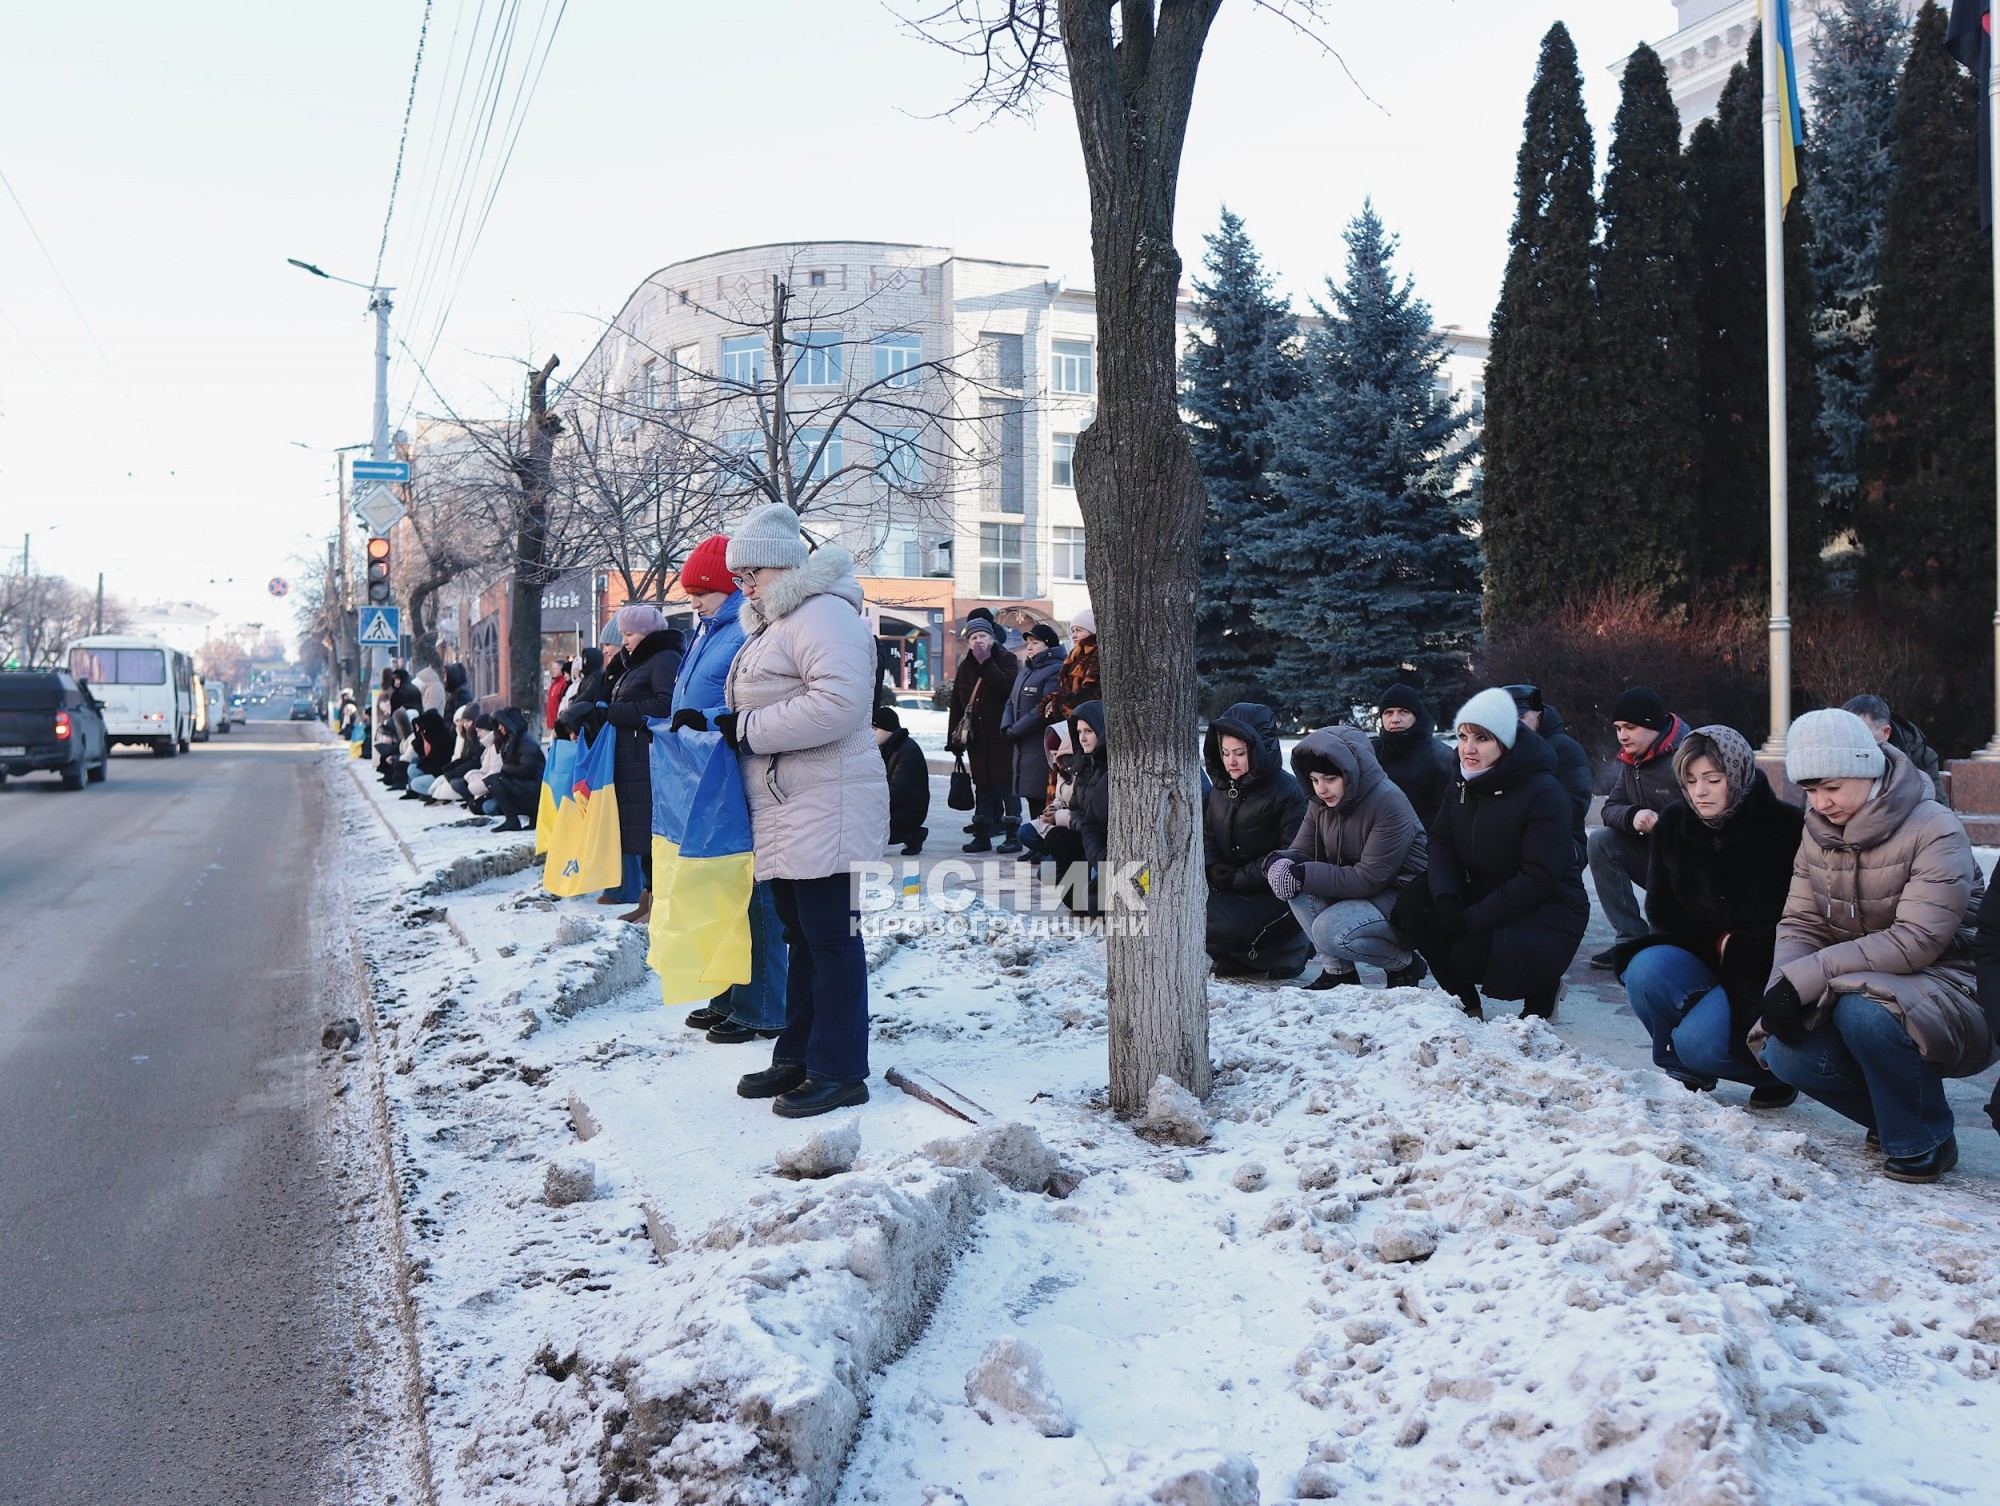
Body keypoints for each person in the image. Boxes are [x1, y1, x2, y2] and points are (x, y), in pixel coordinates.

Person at [1753, 708, 1988, 1183]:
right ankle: (1896, 1117)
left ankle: (1926, 1137)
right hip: (1856, 979)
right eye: (1811, 791)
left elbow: (1916, 940)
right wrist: (1783, 986)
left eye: (1832, 787)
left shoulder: (1934, 827)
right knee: (1784, 1052)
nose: (1821, 802)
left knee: (1865, 1011)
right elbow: (1801, 923)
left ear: (1867, 768)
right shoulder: (1816, 833)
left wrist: (1806, 980)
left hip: (1953, 982)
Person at [719, 503, 887, 1118]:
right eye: (738, 577)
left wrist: (746, 729)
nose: (744, 585)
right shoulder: (778, 622)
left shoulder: (821, 614)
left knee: (831, 937)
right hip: (793, 802)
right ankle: (798, 1053)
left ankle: (840, 1068)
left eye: (751, 573)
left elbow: (840, 705)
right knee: (801, 934)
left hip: (829, 800)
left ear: (784, 564)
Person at [1612, 725, 1805, 1105]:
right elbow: (1661, 912)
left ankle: (1772, 1073)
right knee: (1644, 969)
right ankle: (1688, 1063)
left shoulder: (1786, 827)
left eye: (1712, 780)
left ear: (1735, 775)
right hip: (1701, 955)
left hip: (1761, 971)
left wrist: (1741, 948)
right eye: (1690, 780)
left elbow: (1798, 922)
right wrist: (1717, 942)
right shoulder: (1673, 824)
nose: (1699, 791)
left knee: (1698, 1041)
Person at [1391, 688, 1589, 1019]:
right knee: (1413, 904)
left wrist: (1471, 920)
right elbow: (1440, 840)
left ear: (1505, 742)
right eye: (1463, 735)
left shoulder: (1543, 791)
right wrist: (1448, 898)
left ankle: (1544, 990)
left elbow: (1538, 877)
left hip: (1546, 906)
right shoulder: (1463, 779)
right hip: (1485, 888)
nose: (1468, 747)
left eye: (1481, 738)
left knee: (1468, 953)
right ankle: (1465, 1002)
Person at [666, 533, 791, 1045]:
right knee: (718, 888)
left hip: (741, 776)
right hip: (709, 776)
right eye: (690, 592)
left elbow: (752, 697)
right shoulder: (708, 629)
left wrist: (712, 720)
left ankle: (762, 1003)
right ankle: (727, 993)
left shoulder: (742, 628)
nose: (693, 600)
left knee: (753, 893)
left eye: (703, 590)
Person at [1266, 725, 1427, 990]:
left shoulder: (1388, 802)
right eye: (1315, 780)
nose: (1321, 789)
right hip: (1359, 891)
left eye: (1329, 779)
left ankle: (1404, 963)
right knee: (1293, 885)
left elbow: (1368, 879)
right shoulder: (1322, 802)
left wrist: (1302, 872)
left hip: (1402, 897)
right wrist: (1277, 862)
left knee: (1330, 931)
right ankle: (1338, 973)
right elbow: (1302, 852)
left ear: (1351, 773)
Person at [1202, 703, 1310, 980]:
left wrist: (1239, 878)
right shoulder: (1220, 789)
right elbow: (1208, 833)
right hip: (1228, 887)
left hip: (1275, 894)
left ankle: (1291, 948)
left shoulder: (1289, 792)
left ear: (1260, 750)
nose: (1231, 762)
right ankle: (1242, 957)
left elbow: (1292, 852)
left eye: (1240, 753)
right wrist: (1212, 865)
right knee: (1183, 916)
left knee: (1223, 926)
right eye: (1225, 753)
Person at [590, 605, 683, 924]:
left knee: (650, 835)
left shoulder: (664, 659)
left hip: (648, 760)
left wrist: (614, 714)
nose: (624, 640)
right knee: (642, 835)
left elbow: (665, 705)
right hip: (632, 760)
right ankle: (648, 900)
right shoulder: (638, 662)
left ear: (646, 633)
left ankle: (657, 902)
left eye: (629, 634)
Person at [1588, 686, 1690, 966]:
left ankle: (1673, 939)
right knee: (1600, 842)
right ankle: (1630, 939)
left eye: (1630, 727)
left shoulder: (1689, 756)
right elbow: (1610, 809)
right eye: (1618, 728)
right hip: (1655, 859)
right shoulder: (1632, 762)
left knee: (1671, 952)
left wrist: (1667, 824)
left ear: (1652, 725)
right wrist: (1634, 816)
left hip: (1694, 867)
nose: (1622, 735)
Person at [946, 616, 1019, 853]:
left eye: (983, 636)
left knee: (1008, 787)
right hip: (977, 740)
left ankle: (1013, 834)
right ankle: (982, 835)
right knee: (983, 787)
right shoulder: (966, 666)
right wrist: (953, 740)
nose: (978, 641)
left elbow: (1007, 688)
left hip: (1002, 738)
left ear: (992, 638)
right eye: (974, 637)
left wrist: (986, 662)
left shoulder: (1007, 659)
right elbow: (957, 703)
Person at [1505, 684, 1592, 863]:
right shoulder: (1499, 749)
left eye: (1521, 717)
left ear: (1539, 716)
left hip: (1563, 840)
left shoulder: (1566, 749)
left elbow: (1574, 805)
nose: (1515, 725)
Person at [1001, 623, 1066, 852]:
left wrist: (1016, 729)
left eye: (1035, 643)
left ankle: (1042, 845)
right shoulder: (1027, 670)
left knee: (1041, 795)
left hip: (1039, 743)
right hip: (1022, 744)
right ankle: (1034, 847)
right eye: (1028, 643)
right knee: (1029, 795)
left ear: (1048, 646)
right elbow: (1011, 700)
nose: (1030, 647)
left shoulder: (1055, 670)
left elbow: (1043, 708)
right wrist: (1006, 725)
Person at [1371, 683, 1453, 826]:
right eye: (1388, 712)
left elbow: (1444, 810)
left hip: (1423, 839)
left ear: (1417, 715)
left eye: (1403, 712)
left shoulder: (1441, 756)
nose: (1395, 719)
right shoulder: (1369, 752)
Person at [1843, 694, 1944, 800]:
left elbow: (1939, 808)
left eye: (1861, 734)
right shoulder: (1837, 754)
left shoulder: (1920, 757)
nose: (1852, 743)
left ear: (1886, 733)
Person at [1016, 725, 1076, 865]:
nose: (1055, 760)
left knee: (1047, 872)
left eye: (1057, 754)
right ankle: (1056, 855)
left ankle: (1075, 862)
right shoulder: (1062, 768)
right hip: (1064, 823)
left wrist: (1057, 817)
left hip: (1077, 828)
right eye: (1052, 755)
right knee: (1025, 832)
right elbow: (1059, 799)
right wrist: (1052, 809)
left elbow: (1086, 814)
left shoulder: (1083, 769)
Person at [875, 706, 931, 855]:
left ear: (888, 730)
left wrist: (871, 805)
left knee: (868, 827)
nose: (871, 734)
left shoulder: (907, 751)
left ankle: (912, 834)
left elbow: (898, 790)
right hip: (893, 805)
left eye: (875, 730)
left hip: (909, 809)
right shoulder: (885, 748)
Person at [483, 706, 546, 832]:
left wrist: (505, 768)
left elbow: (527, 770)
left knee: (494, 781)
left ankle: (512, 820)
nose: (500, 728)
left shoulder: (525, 742)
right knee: (492, 787)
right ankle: (530, 817)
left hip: (534, 788)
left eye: (502, 725)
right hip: (529, 786)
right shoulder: (513, 740)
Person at [1040, 607, 1101, 726]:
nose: (1074, 635)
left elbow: (1094, 693)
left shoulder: (1096, 655)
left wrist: (1060, 705)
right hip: (1073, 720)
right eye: (1072, 631)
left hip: (1090, 722)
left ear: (1092, 631)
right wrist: (1051, 703)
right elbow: (1066, 690)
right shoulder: (1074, 656)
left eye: (1078, 630)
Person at [401, 709, 453, 800]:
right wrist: (419, 735)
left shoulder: (440, 739)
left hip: (438, 773)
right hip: (432, 770)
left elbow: (435, 763)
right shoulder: (425, 736)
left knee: (415, 780)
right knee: (413, 767)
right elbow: (421, 753)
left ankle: (436, 793)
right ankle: (422, 792)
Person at [545, 658, 572, 733]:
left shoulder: (563, 683)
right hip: (552, 722)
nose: (553, 670)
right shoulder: (554, 684)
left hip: (559, 721)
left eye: (555, 668)